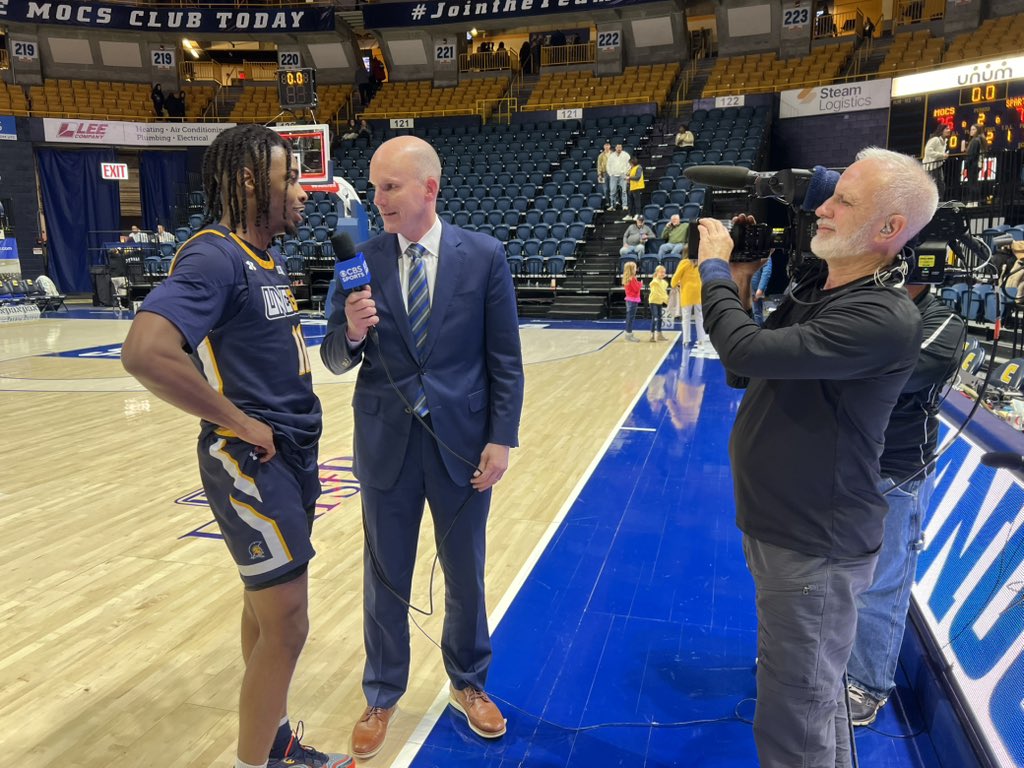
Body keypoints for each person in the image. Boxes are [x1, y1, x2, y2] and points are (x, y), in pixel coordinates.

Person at [696, 146, 938, 768]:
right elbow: (745, 371)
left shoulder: (882, 316)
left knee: (792, 716)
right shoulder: (819, 290)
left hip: (815, 542)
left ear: (888, 228)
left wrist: (714, 269)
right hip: (782, 528)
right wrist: (742, 276)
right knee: (814, 697)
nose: (822, 208)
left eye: (843, 201)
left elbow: (744, 351)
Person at [120, 125, 353, 768]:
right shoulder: (213, 256)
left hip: (291, 454)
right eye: (291, 178)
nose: (303, 191)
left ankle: (271, 741)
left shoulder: (262, 258)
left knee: (265, 609)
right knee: (290, 621)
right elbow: (145, 352)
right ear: (251, 182)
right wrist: (242, 424)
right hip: (251, 461)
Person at [318, 135, 525, 761]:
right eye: (375, 187)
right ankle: (382, 693)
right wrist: (351, 333)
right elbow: (332, 356)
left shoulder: (483, 256)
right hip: (386, 443)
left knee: (465, 572)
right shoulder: (359, 262)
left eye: (390, 186)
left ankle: (469, 682)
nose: (378, 199)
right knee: (385, 575)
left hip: (463, 445)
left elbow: (505, 359)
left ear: (429, 188)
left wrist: (501, 437)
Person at [846, 282, 964, 726]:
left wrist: (833, 360)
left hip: (896, 472)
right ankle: (820, 660)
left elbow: (905, 375)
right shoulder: (857, 306)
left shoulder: (943, 321)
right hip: (840, 462)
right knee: (829, 572)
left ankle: (867, 683)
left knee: (882, 582)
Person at [671, 257, 710, 355]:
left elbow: (676, 277)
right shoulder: (701, 262)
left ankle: (686, 340)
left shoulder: (684, 262)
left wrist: (674, 284)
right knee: (700, 318)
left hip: (687, 294)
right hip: (698, 293)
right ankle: (701, 340)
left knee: (686, 318)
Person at [922, 124, 950, 198]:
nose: (949, 130)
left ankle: (938, 200)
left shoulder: (945, 141)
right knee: (933, 185)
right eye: (946, 129)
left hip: (938, 165)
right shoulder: (935, 139)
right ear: (941, 130)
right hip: (930, 166)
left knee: (940, 185)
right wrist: (942, 155)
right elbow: (928, 151)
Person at [964, 123, 986, 206]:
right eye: (971, 129)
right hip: (977, 164)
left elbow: (972, 155)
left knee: (971, 184)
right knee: (974, 183)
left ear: (978, 131)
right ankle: (975, 202)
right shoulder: (980, 140)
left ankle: (971, 202)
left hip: (972, 165)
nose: (971, 131)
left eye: (973, 129)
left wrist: (965, 166)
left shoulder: (975, 141)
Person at [606, 143, 631, 213]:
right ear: (615, 148)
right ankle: (612, 206)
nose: (619, 149)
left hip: (622, 175)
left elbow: (629, 164)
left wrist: (626, 173)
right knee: (612, 191)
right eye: (618, 147)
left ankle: (624, 205)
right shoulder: (612, 156)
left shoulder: (626, 155)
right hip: (613, 175)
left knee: (624, 191)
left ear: (621, 148)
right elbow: (608, 165)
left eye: (620, 147)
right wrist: (610, 174)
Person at [621, 260, 642, 342]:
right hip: (632, 300)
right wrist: (640, 283)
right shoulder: (632, 278)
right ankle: (629, 334)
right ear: (631, 269)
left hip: (630, 299)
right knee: (630, 318)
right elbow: (636, 289)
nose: (636, 269)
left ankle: (629, 333)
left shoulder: (627, 278)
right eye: (635, 268)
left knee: (630, 317)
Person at [648, 264, 669, 341]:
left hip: (659, 302)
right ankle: (652, 335)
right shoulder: (654, 282)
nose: (663, 273)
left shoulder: (665, 283)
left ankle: (659, 335)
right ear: (657, 272)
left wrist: (668, 301)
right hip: (653, 302)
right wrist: (667, 301)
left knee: (660, 318)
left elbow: (664, 293)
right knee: (655, 317)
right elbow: (659, 293)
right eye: (661, 272)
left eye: (664, 272)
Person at [750, 256, 773, 326]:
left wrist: (761, 289)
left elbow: (767, 270)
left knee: (756, 313)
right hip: (742, 288)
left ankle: (757, 330)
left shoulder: (763, 252)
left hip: (754, 290)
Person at [626, 156, 645, 221]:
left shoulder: (639, 167)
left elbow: (638, 177)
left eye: (630, 163)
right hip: (631, 187)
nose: (630, 164)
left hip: (636, 187)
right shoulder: (632, 168)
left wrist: (629, 178)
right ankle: (629, 214)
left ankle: (638, 214)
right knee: (630, 202)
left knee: (637, 202)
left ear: (633, 162)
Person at [596, 142, 612, 210]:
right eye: (605, 146)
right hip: (604, 173)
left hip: (612, 173)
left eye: (608, 146)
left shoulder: (613, 154)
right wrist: (599, 174)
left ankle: (614, 202)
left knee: (613, 188)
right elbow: (599, 165)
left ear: (609, 146)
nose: (607, 147)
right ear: (604, 147)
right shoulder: (601, 155)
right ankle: (608, 202)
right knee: (606, 189)